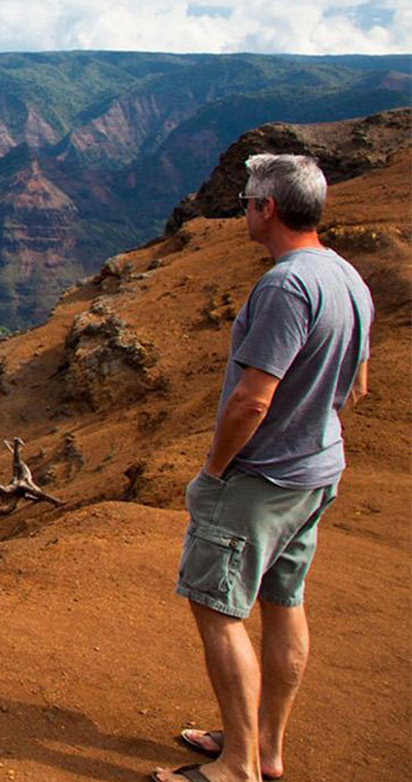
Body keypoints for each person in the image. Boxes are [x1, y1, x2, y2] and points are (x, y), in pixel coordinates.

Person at [152, 154, 372, 782]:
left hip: (261, 478)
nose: (243, 210)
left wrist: (215, 471)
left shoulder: (284, 286)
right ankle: (266, 747)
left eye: (247, 200)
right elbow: (357, 382)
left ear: (266, 208)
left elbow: (252, 399)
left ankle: (238, 765)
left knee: (218, 610)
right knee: (283, 601)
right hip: (315, 470)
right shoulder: (348, 277)